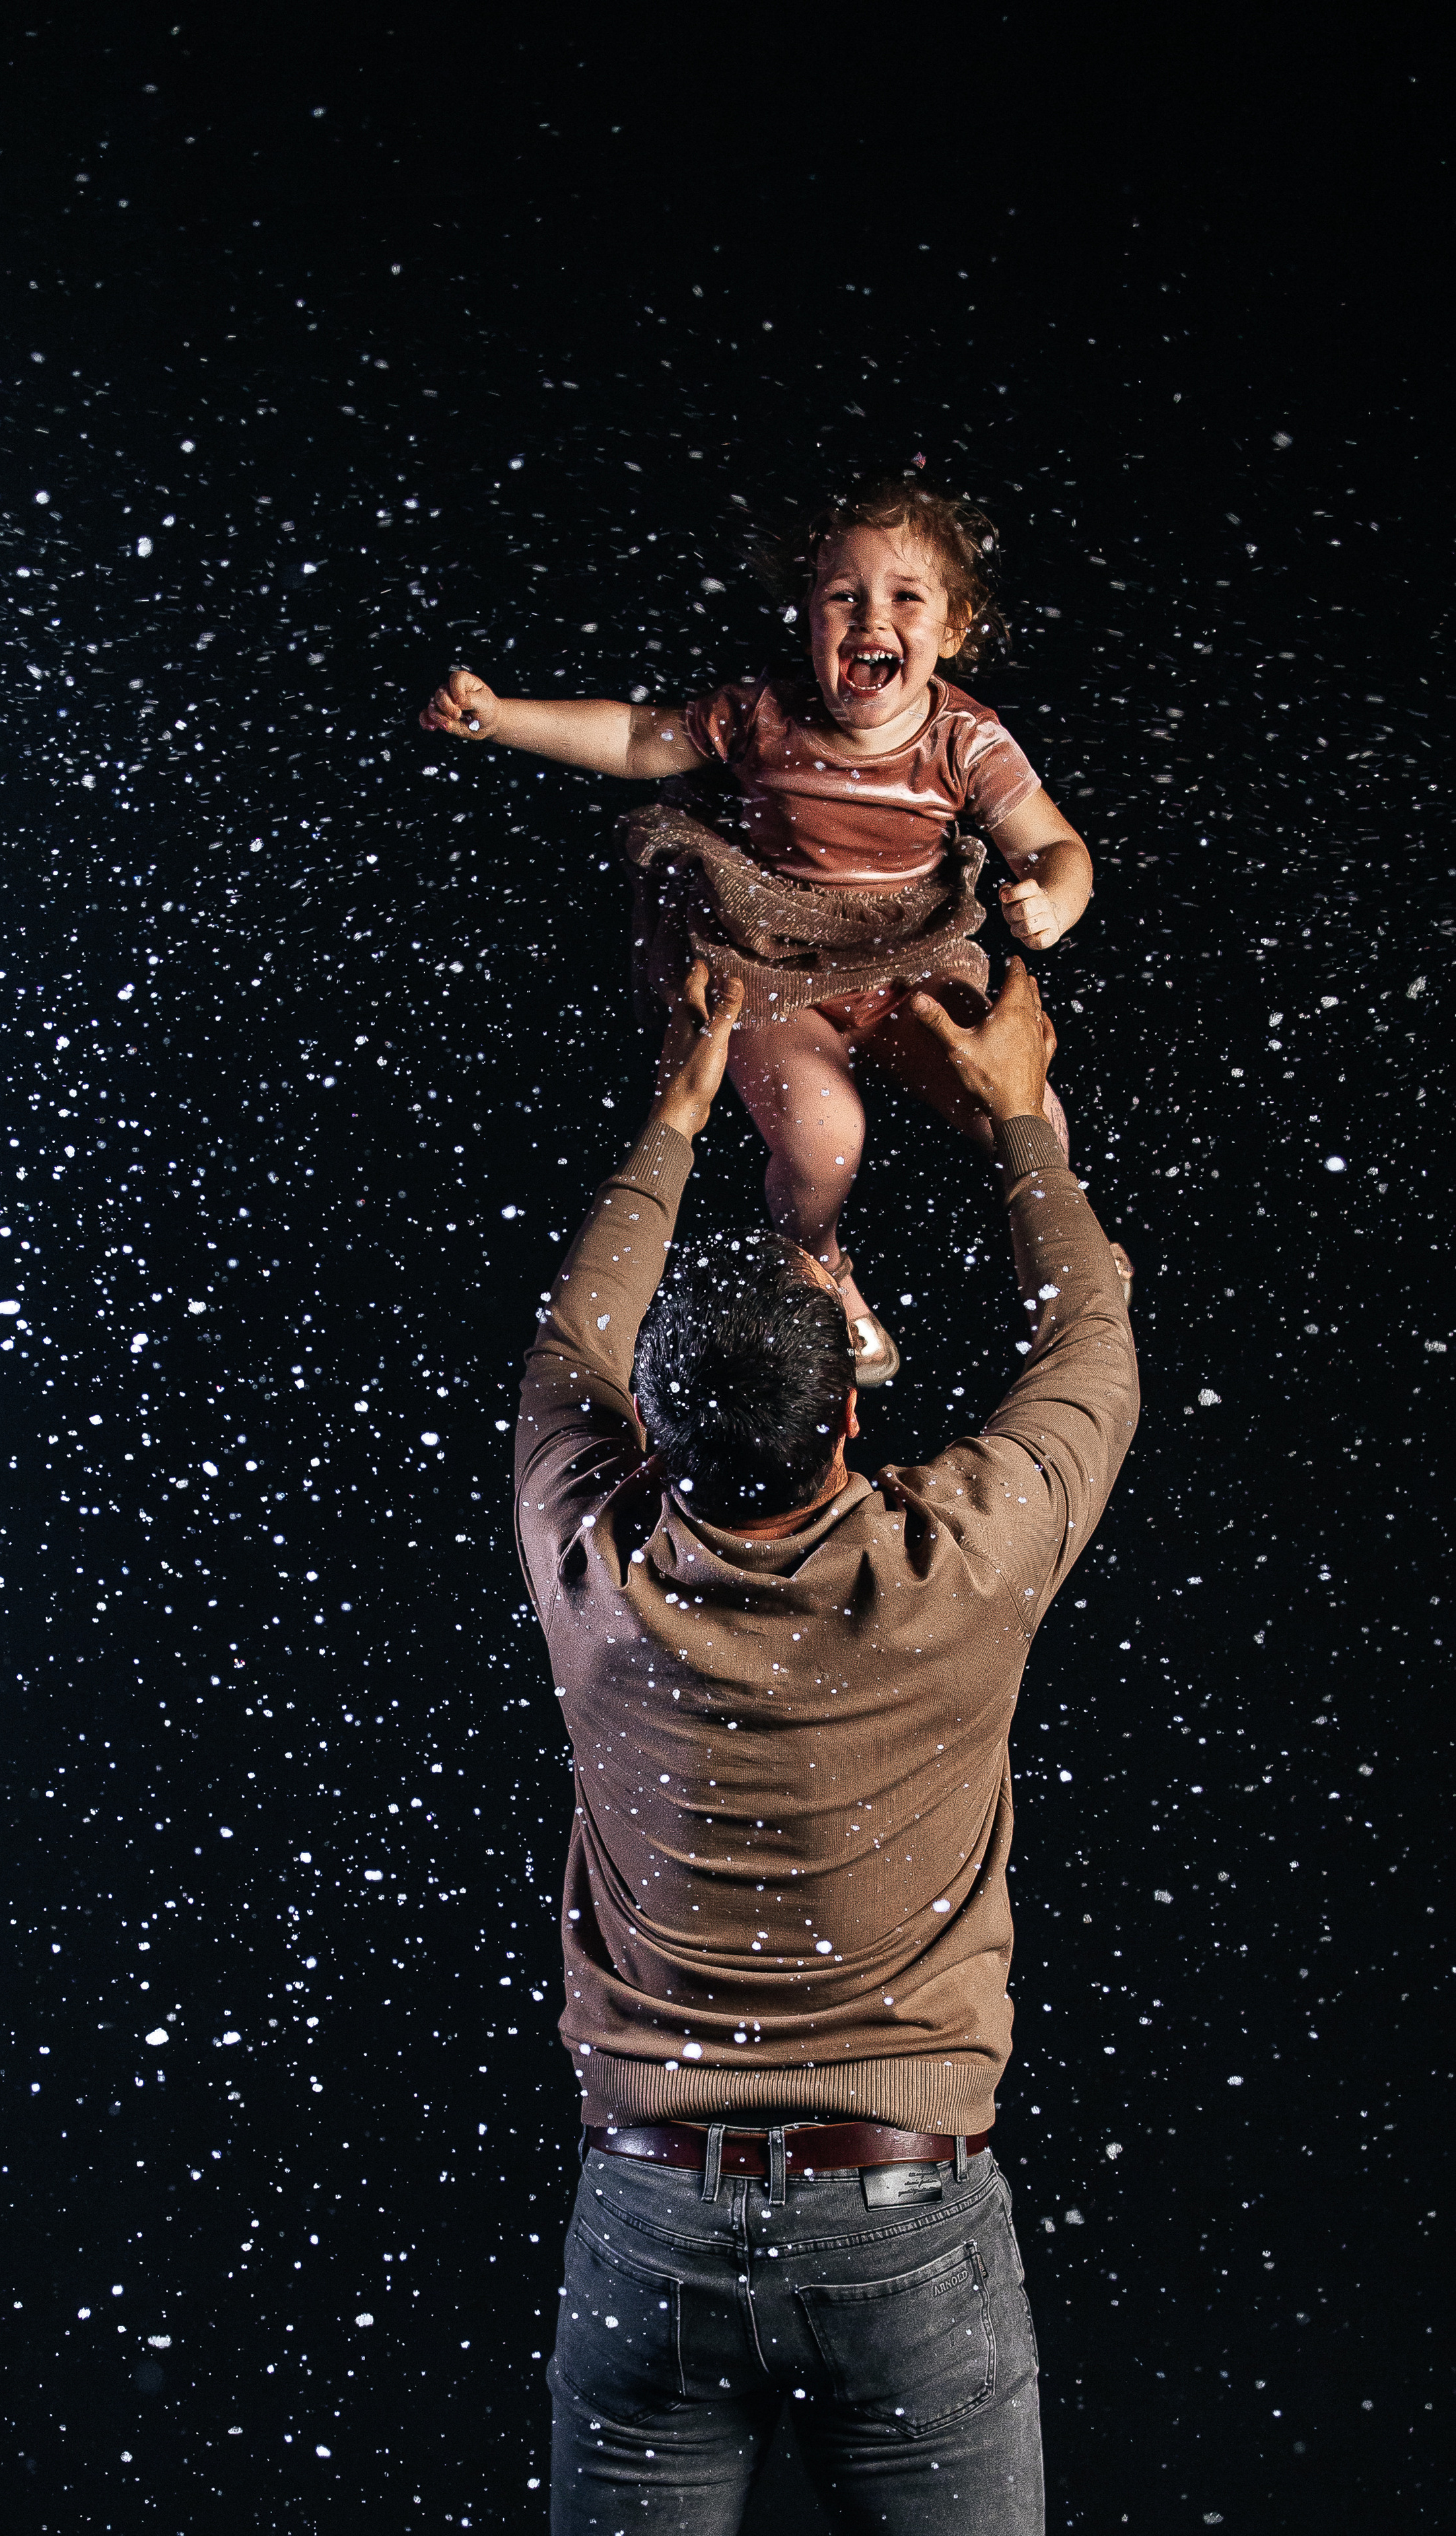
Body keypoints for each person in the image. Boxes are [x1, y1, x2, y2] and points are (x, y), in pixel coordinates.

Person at [514, 954, 1138, 2533]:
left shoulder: (594, 1557)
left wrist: (674, 1109)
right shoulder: (960, 1566)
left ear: (654, 1431)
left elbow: (572, 1342)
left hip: (649, 2209)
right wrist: (1020, 1126)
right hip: (899, 2218)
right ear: (851, 1419)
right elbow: (1092, 1346)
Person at [425, 472, 1126, 1391]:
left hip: (908, 958)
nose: (873, 618)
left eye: (906, 598)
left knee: (1028, 1108)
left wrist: (1055, 897)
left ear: (951, 631)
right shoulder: (761, 716)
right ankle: (820, 1261)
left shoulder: (966, 741)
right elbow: (640, 740)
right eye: (845, 597)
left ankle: (1067, 1243)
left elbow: (1058, 847)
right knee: (825, 1136)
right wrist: (503, 719)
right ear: (809, 617)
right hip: (771, 962)